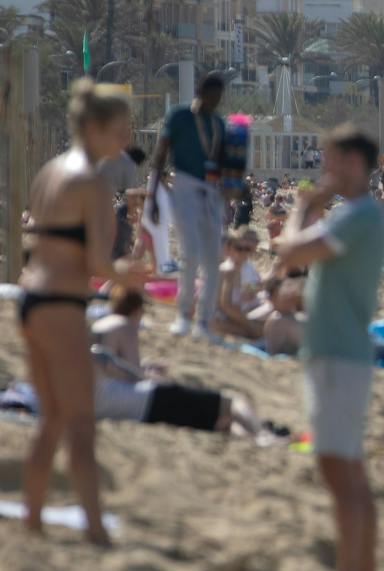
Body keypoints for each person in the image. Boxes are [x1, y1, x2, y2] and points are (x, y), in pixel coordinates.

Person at [16, 81, 140, 545]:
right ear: (93, 128)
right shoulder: (91, 180)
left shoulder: (50, 171)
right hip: (62, 305)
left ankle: (32, 518)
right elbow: (97, 264)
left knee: (50, 419)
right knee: (81, 425)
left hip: (31, 302)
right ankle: (94, 529)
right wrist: (129, 276)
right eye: (119, 130)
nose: (125, 141)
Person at [273, 125, 384, 571]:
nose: (324, 170)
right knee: (347, 470)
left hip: (340, 356)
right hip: (338, 353)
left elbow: (289, 253)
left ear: (354, 163)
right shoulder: (358, 216)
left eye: (331, 160)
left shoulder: (358, 216)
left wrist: (303, 207)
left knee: (340, 472)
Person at [91, 287, 274, 437]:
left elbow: (111, 367)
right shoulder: (125, 325)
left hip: (122, 406)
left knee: (217, 422)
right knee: (232, 400)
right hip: (144, 401)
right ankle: (263, 436)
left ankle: (252, 437)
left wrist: (144, 367)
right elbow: (135, 377)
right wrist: (150, 374)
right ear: (138, 310)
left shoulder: (97, 327)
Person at [149, 72, 227, 336]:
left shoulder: (218, 123)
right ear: (200, 92)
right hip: (183, 184)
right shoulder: (180, 116)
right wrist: (153, 196)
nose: (215, 101)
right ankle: (184, 314)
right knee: (190, 251)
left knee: (213, 257)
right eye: (211, 96)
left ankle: (204, 320)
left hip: (210, 190)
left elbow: (222, 161)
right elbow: (161, 153)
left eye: (219, 97)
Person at [209, 228, 266, 341]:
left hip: (244, 310)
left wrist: (252, 290)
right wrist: (250, 324)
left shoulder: (249, 267)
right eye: (239, 248)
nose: (243, 252)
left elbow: (258, 286)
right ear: (229, 249)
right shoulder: (227, 270)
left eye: (247, 249)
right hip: (225, 317)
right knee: (257, 332)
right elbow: (225, 305)